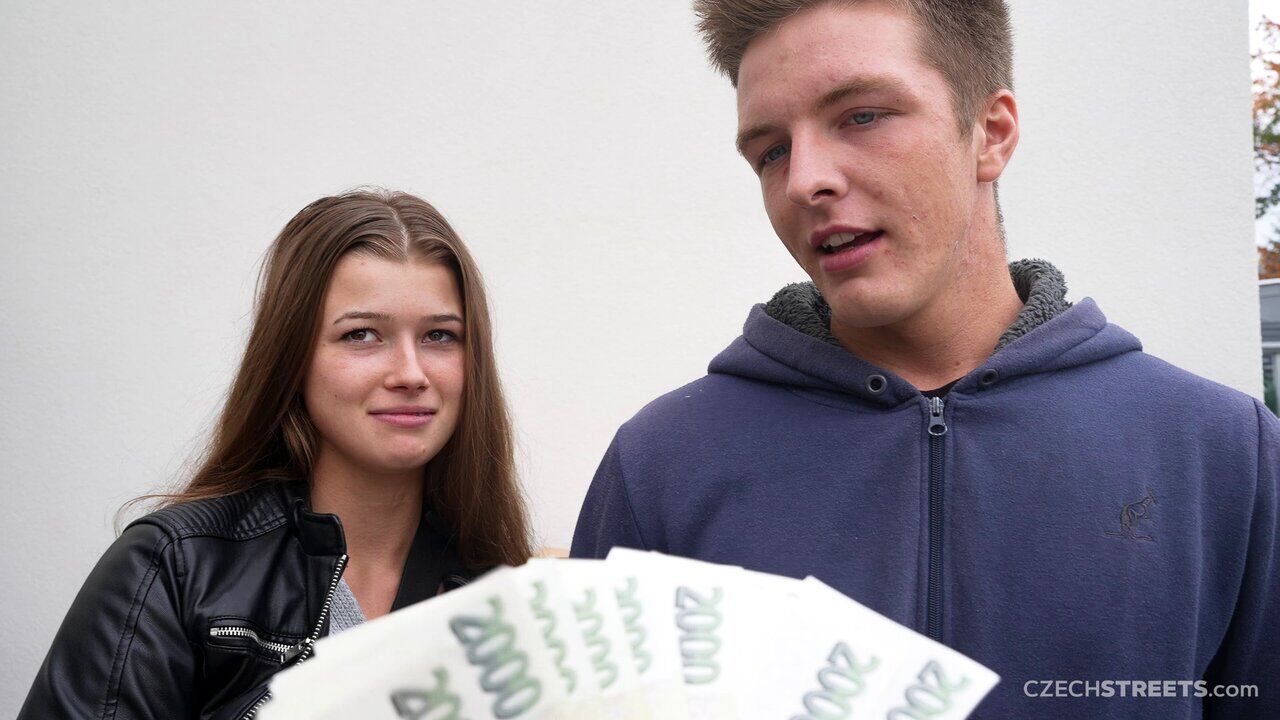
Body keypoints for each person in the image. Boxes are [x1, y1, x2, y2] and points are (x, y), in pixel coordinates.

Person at [571, 1, 1279, 717]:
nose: (803, 181)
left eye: (862, 116)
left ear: (991, 134)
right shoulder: (660, 466)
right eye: (771, 152)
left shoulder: (1224, 454)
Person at [19, 189, 532, 719]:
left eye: (439, 336)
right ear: (292, 356)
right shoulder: (176, 568)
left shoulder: (504, 596)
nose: (409, 373)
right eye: (361, 334)